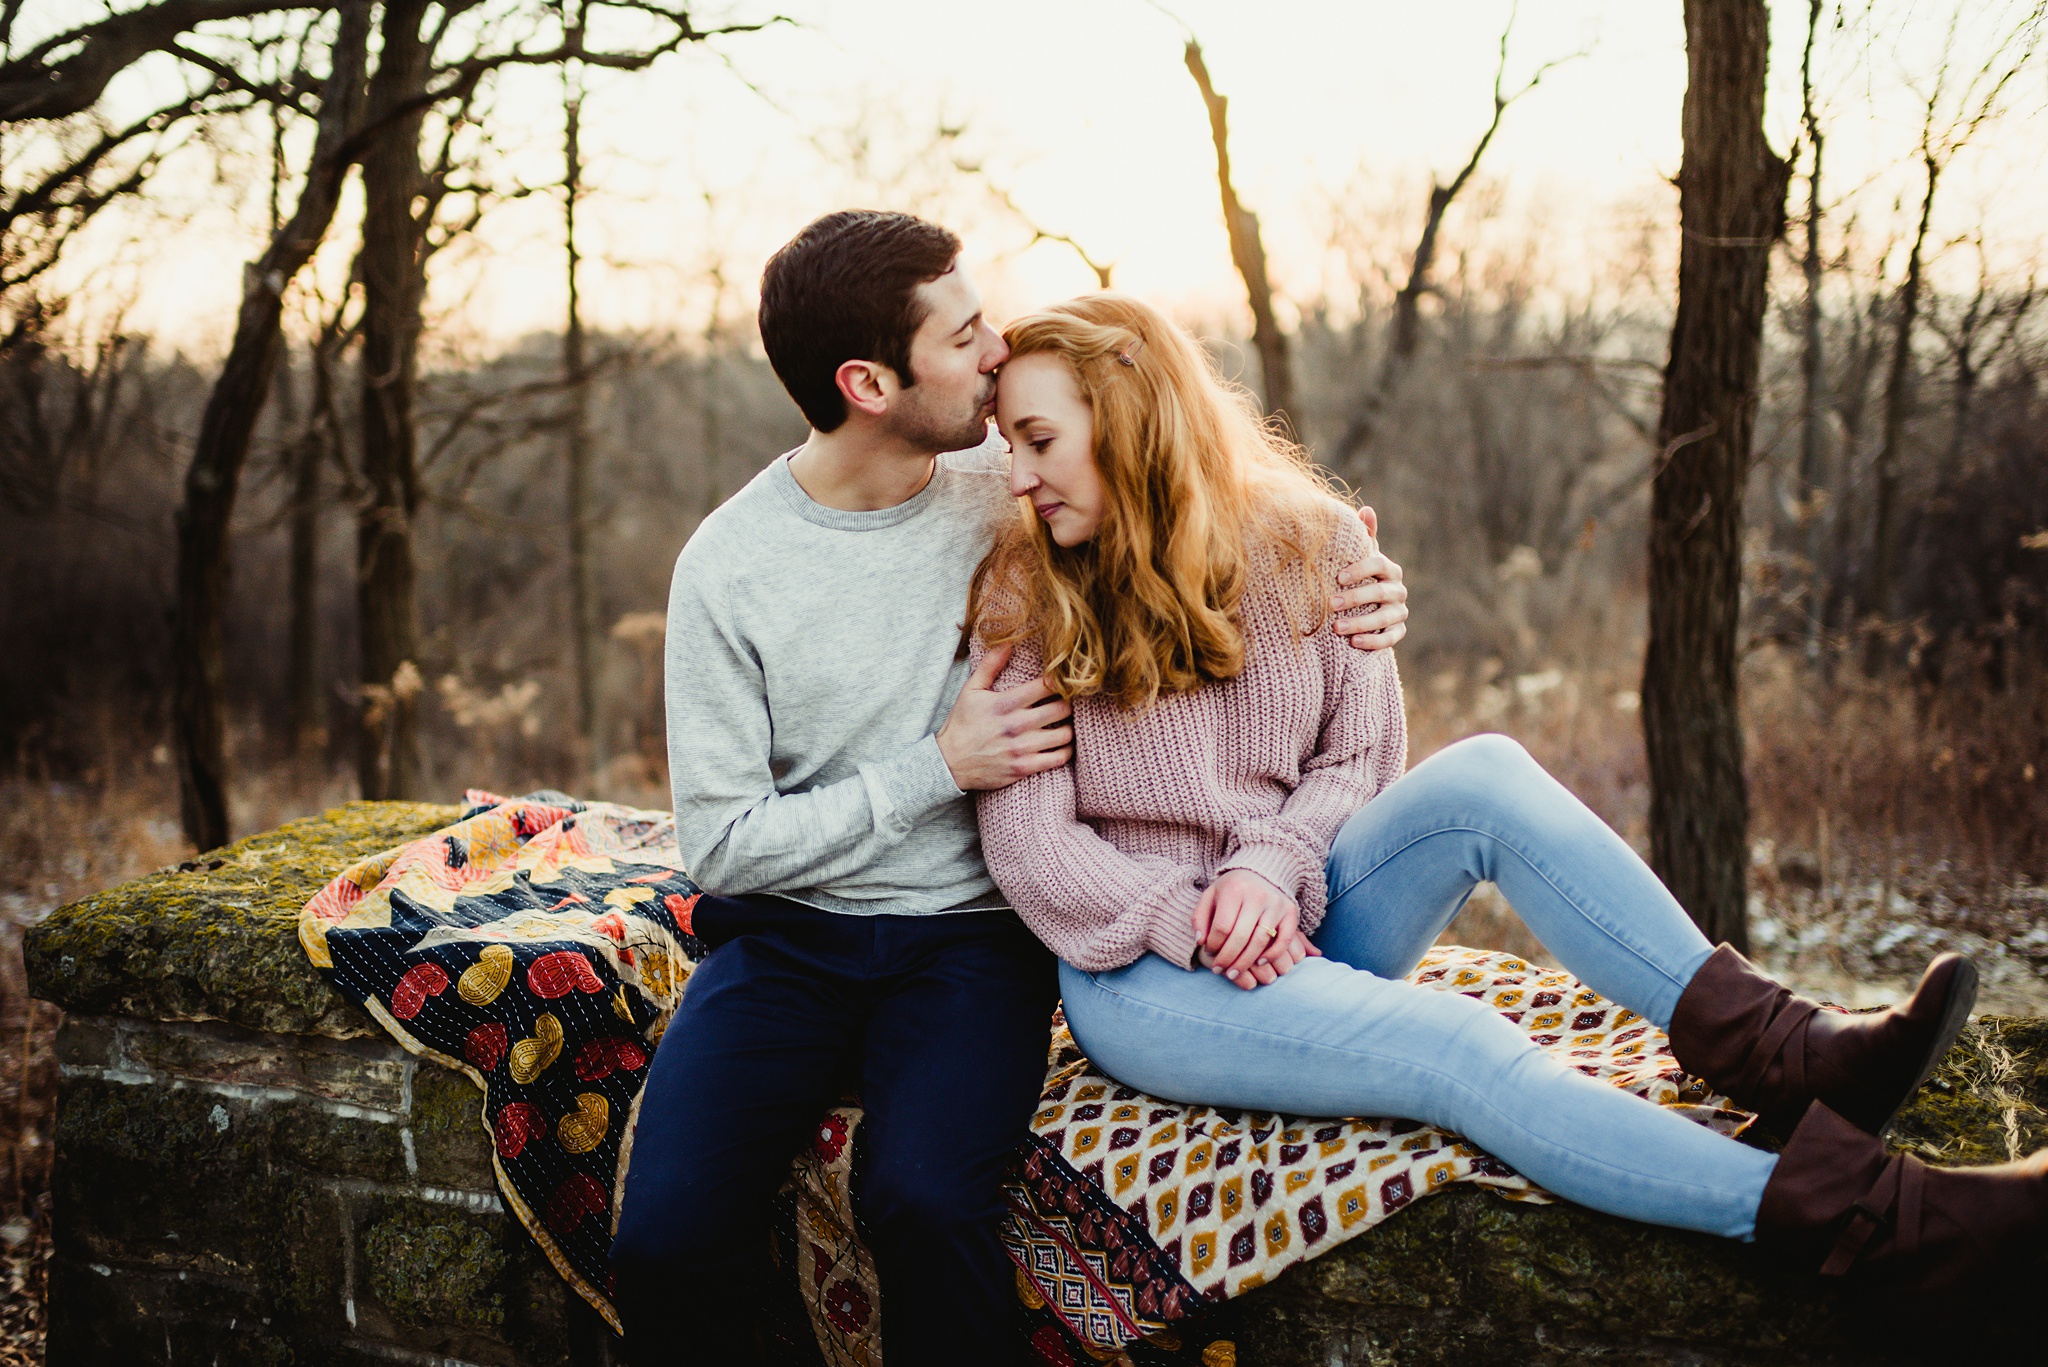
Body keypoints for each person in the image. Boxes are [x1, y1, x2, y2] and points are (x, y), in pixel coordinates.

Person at [971, 291, 2045, 1298]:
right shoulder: (1025, 589)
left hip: (1295, 910)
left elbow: (1356, 756)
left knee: (1480, 770)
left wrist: (1267, 863)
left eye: (1038, 437)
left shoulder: (1310, 541)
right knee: (1455, 1043)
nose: (1019, 474)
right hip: (1150, 976)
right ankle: (1878, 1222)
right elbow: (1029, 844)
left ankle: (1783, 1049)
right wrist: (1188, 913)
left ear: (1128, 406)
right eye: (1011, 445)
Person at [609, 212, 1410, 1365]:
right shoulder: (729, 567)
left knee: (925, 1203)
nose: (997, 348)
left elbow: (1211, 506)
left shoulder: (1016, 475)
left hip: (975, 934)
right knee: (664, 1241)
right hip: (786, 941)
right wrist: (936, 768)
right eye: (965, 332)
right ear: (867, 381)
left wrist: (1365, 588)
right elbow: (723, 846)